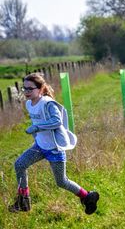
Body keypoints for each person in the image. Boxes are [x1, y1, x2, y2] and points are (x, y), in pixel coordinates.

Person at [9, 73, 99, 215]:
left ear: (40, 88)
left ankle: (87, 197)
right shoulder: (28, 104)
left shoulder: (48, 103)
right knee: (19, 164)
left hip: (54, 149)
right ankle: (23, 202)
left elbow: (57, 121)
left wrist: (38, 128)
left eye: (30, 89)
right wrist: (36, 135)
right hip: (39, 146)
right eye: (24, 88)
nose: (26, 92)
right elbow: (36, 121)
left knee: (61, 181)